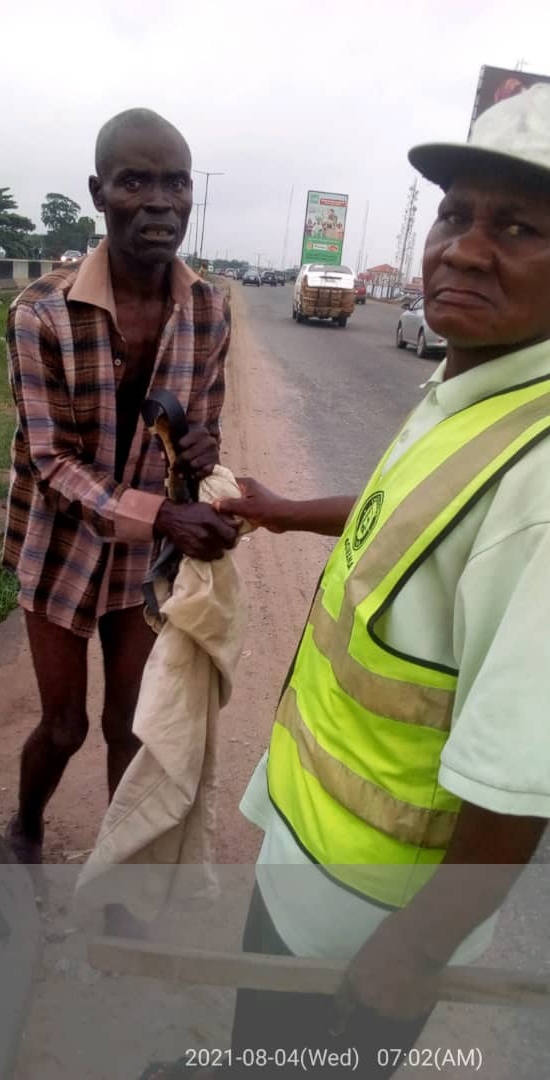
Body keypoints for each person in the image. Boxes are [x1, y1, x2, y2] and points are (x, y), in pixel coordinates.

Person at [149, 84, 550, 1079]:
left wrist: (414, 952)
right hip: (309, 860)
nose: (462, 246)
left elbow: (520, 772)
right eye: (456, 214)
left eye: (519, 227)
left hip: (372, 919)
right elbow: (402, 504)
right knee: (258, 1052)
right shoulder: (472, 387)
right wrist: (287, 511)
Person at [3, 108, 237, 864]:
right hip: (64, 547)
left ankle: (119, 872)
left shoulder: (208, 310)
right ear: (100, 192)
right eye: (136, 181)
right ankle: (27, 825)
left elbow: (202, 434)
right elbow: (51, 463)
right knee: (65, 725)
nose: (161, 201)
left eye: (176, 182)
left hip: (144, 561)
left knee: (129, 730)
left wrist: (202, 452)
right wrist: (164, 515)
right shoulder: (40, 313)